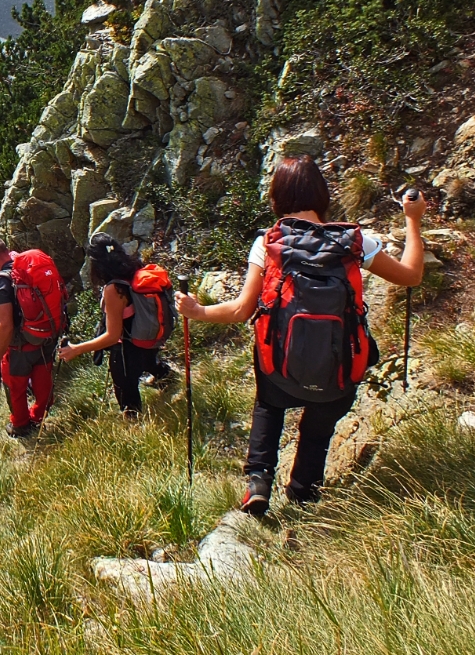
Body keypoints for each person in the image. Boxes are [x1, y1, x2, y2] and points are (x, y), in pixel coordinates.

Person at [177, 155, 425, 515]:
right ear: (322, 195)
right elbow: (412, 275)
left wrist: (197, 312)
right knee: (318, 423)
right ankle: (304, 490)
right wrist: (412, 221)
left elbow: (242, 311)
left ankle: (258, 481)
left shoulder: (269, 243)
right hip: (339, 371)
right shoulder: (355, 243)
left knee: (268, 403)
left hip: (281, 370)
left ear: (277, 198)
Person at [59, 233, 174, 418]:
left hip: (127, 348)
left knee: (126, 389)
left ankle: (133, 424)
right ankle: (166, 377)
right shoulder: (136, 267)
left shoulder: (114, 289)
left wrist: (77, 349)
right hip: (150, 337)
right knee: (149, 361)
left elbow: (112, 336)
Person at [0, 237, 55, 437]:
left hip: (20, 346)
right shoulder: (26, 269)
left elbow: (5, 325)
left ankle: (20, 425)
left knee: (15, 386)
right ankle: (39, 415)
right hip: (45, 335)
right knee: (43, 378)